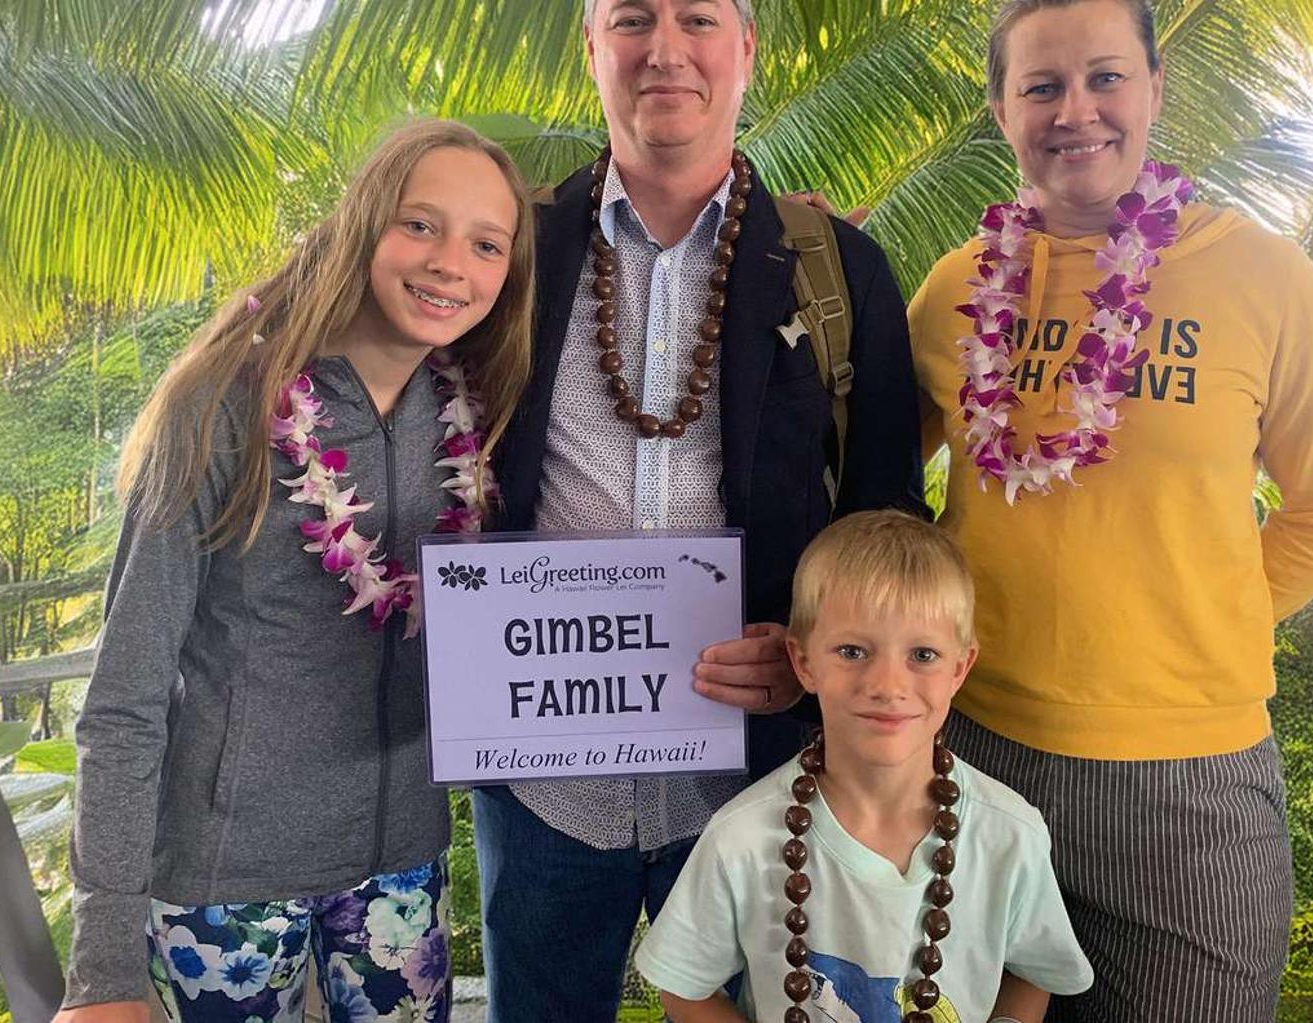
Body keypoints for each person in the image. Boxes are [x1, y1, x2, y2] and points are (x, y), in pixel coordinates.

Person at [904, 1, 1313, 1020]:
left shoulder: (1259, 276)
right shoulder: (955, 288)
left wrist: (1209, 615)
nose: (1074, 110)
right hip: (971, 750)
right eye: (1040, 86)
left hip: (1186, 789)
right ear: (1001, 109)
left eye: (1104, 77)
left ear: (1152, 90)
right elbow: (872, 490)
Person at [475, 0, 924, 1017]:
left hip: (755, 783)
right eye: (630, 18)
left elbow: (885, 515)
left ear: (745, 49)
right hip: (542, 789)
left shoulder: (835, 272)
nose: (664, 50)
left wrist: (810, 655)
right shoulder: (507, 251)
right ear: (590, 48)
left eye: (697, 18)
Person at [53, 119, 537, 1023]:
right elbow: (123, 700)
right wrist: (102, 972)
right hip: (226, 878)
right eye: (419, 225)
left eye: (486, 243)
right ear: (360, 223)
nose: (449, 264)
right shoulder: (219, 405)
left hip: (403, 866)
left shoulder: (472, 413)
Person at [636, 510, 1093, 1023]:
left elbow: (1036, 969)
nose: (887, 684)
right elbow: (683, 986)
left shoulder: (1009, 832)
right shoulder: (741, 837)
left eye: (922, 654)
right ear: (803, 662)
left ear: (960, 668)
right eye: (853, 651)